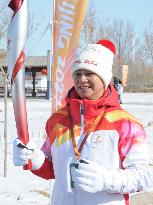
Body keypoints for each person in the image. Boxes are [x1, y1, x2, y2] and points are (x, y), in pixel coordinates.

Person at [13, 39, 152, 205]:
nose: (82, 79)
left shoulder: (126, 124)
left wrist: (106, 180)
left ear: (104, 78)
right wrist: (35, 159)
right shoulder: (58, 120)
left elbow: (144, 177)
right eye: (77, 74)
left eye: (89, 73)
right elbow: (52, 170)